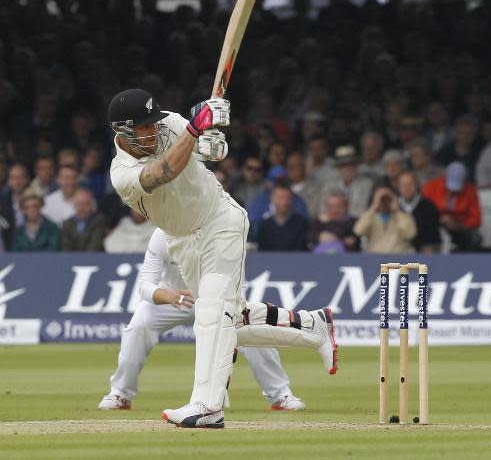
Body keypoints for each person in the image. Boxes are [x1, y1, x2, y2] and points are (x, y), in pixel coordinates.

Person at [107, 88, 337, 428]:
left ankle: (208, 407)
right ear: (123, 132)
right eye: (144, 128)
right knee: (231, 320)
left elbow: (208, 149)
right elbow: (162, 173)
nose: (154, 131)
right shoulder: (121, 173)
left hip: (220, 220)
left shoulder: (169, 123)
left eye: (154, 124)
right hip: (182, 241)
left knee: (213, 313)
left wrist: (213, 141)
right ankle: (312, 325)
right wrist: (196, 131)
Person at [99, 229, 306, 412]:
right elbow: (145, 285)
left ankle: (280, 395)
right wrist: (170, 296)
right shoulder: (162, 235)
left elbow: (236, 285)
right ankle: (120, 394)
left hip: (217, 298)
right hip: (174, 298)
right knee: (138, 328)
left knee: (253, 332)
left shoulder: (223, 233)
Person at [421, 162, 481, 252]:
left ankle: (468, 263)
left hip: (460, 228)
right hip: (434, 226)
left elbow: (476, 219)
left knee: (475, 237)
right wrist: (438, 219)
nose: (452, 190)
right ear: (445, 177)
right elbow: (423, 212)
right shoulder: (430, 188)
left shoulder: (471, 191)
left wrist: (459, 224)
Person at [354, 183, 416, 253]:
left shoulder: (403, 216)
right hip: (375, 259)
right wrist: (373, 207)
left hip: (398, 259)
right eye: (381, 198)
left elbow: (410, 234)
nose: (384, 201)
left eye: (387, 198)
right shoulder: (370, 216)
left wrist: (397, 211)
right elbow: (358, 231)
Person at [256, 183, 309, 251]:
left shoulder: (302, 223)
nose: (285, 202)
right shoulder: (264, 225)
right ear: (272, 199)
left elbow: (302, 249)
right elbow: (262, 251)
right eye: (281, 198)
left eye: (288, 198)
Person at [396, 170, 440, 253]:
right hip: (397, 249)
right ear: (398, 188)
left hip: (421, 250)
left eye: (410, 184)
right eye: (403, 185)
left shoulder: (428, 206)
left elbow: (432, 235)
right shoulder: (393, 206)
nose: (407, 188)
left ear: (416, 186)